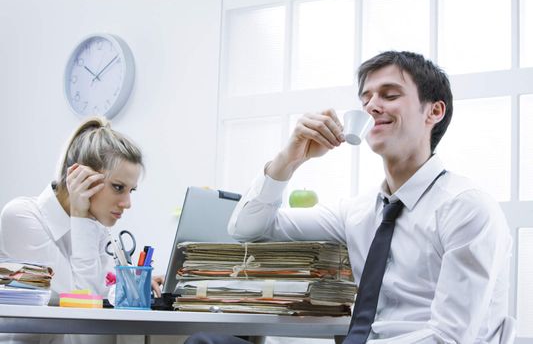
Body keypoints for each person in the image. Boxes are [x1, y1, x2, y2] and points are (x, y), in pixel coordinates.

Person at [186, 51, 513, 343]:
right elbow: (247, 228)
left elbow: (449, 337)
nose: (372, 106)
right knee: (209, 343)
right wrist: (289, 158)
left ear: (434, 112)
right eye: (366, 98)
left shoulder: (466, 207)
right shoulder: (358, 212)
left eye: (389, 94)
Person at [0, 117, 155, 344]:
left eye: (131, 190)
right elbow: (84, 306)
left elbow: (98, 301)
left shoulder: (95, 227)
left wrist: (129, 286)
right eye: (118, 187)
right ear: (81, 178)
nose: (127, 203)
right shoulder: (21, 216)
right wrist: (80, 218)